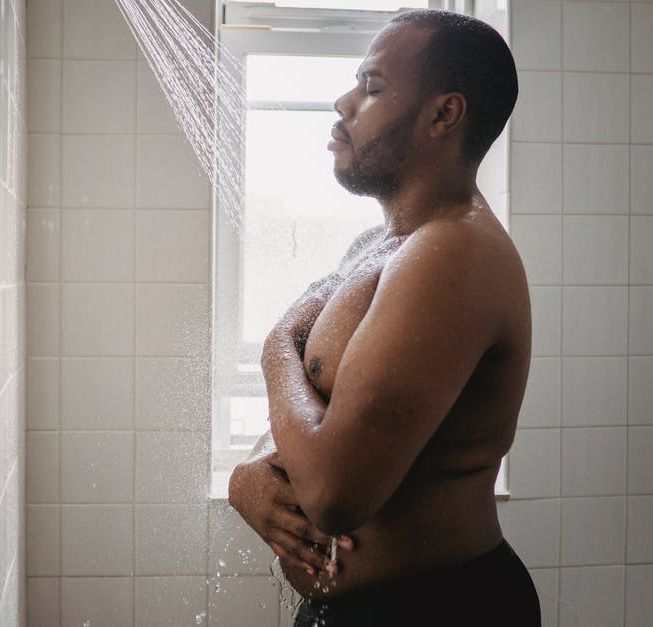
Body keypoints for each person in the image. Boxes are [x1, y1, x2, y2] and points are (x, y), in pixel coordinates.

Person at [226, 9, 540, 625]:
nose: (343, 103)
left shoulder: (453, 254)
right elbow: (317, 401)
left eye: (371, 88)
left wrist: (270, 350)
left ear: (443, 115)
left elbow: (333, 494)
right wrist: (246, 478)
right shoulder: (381, 248)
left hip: (436, 608)